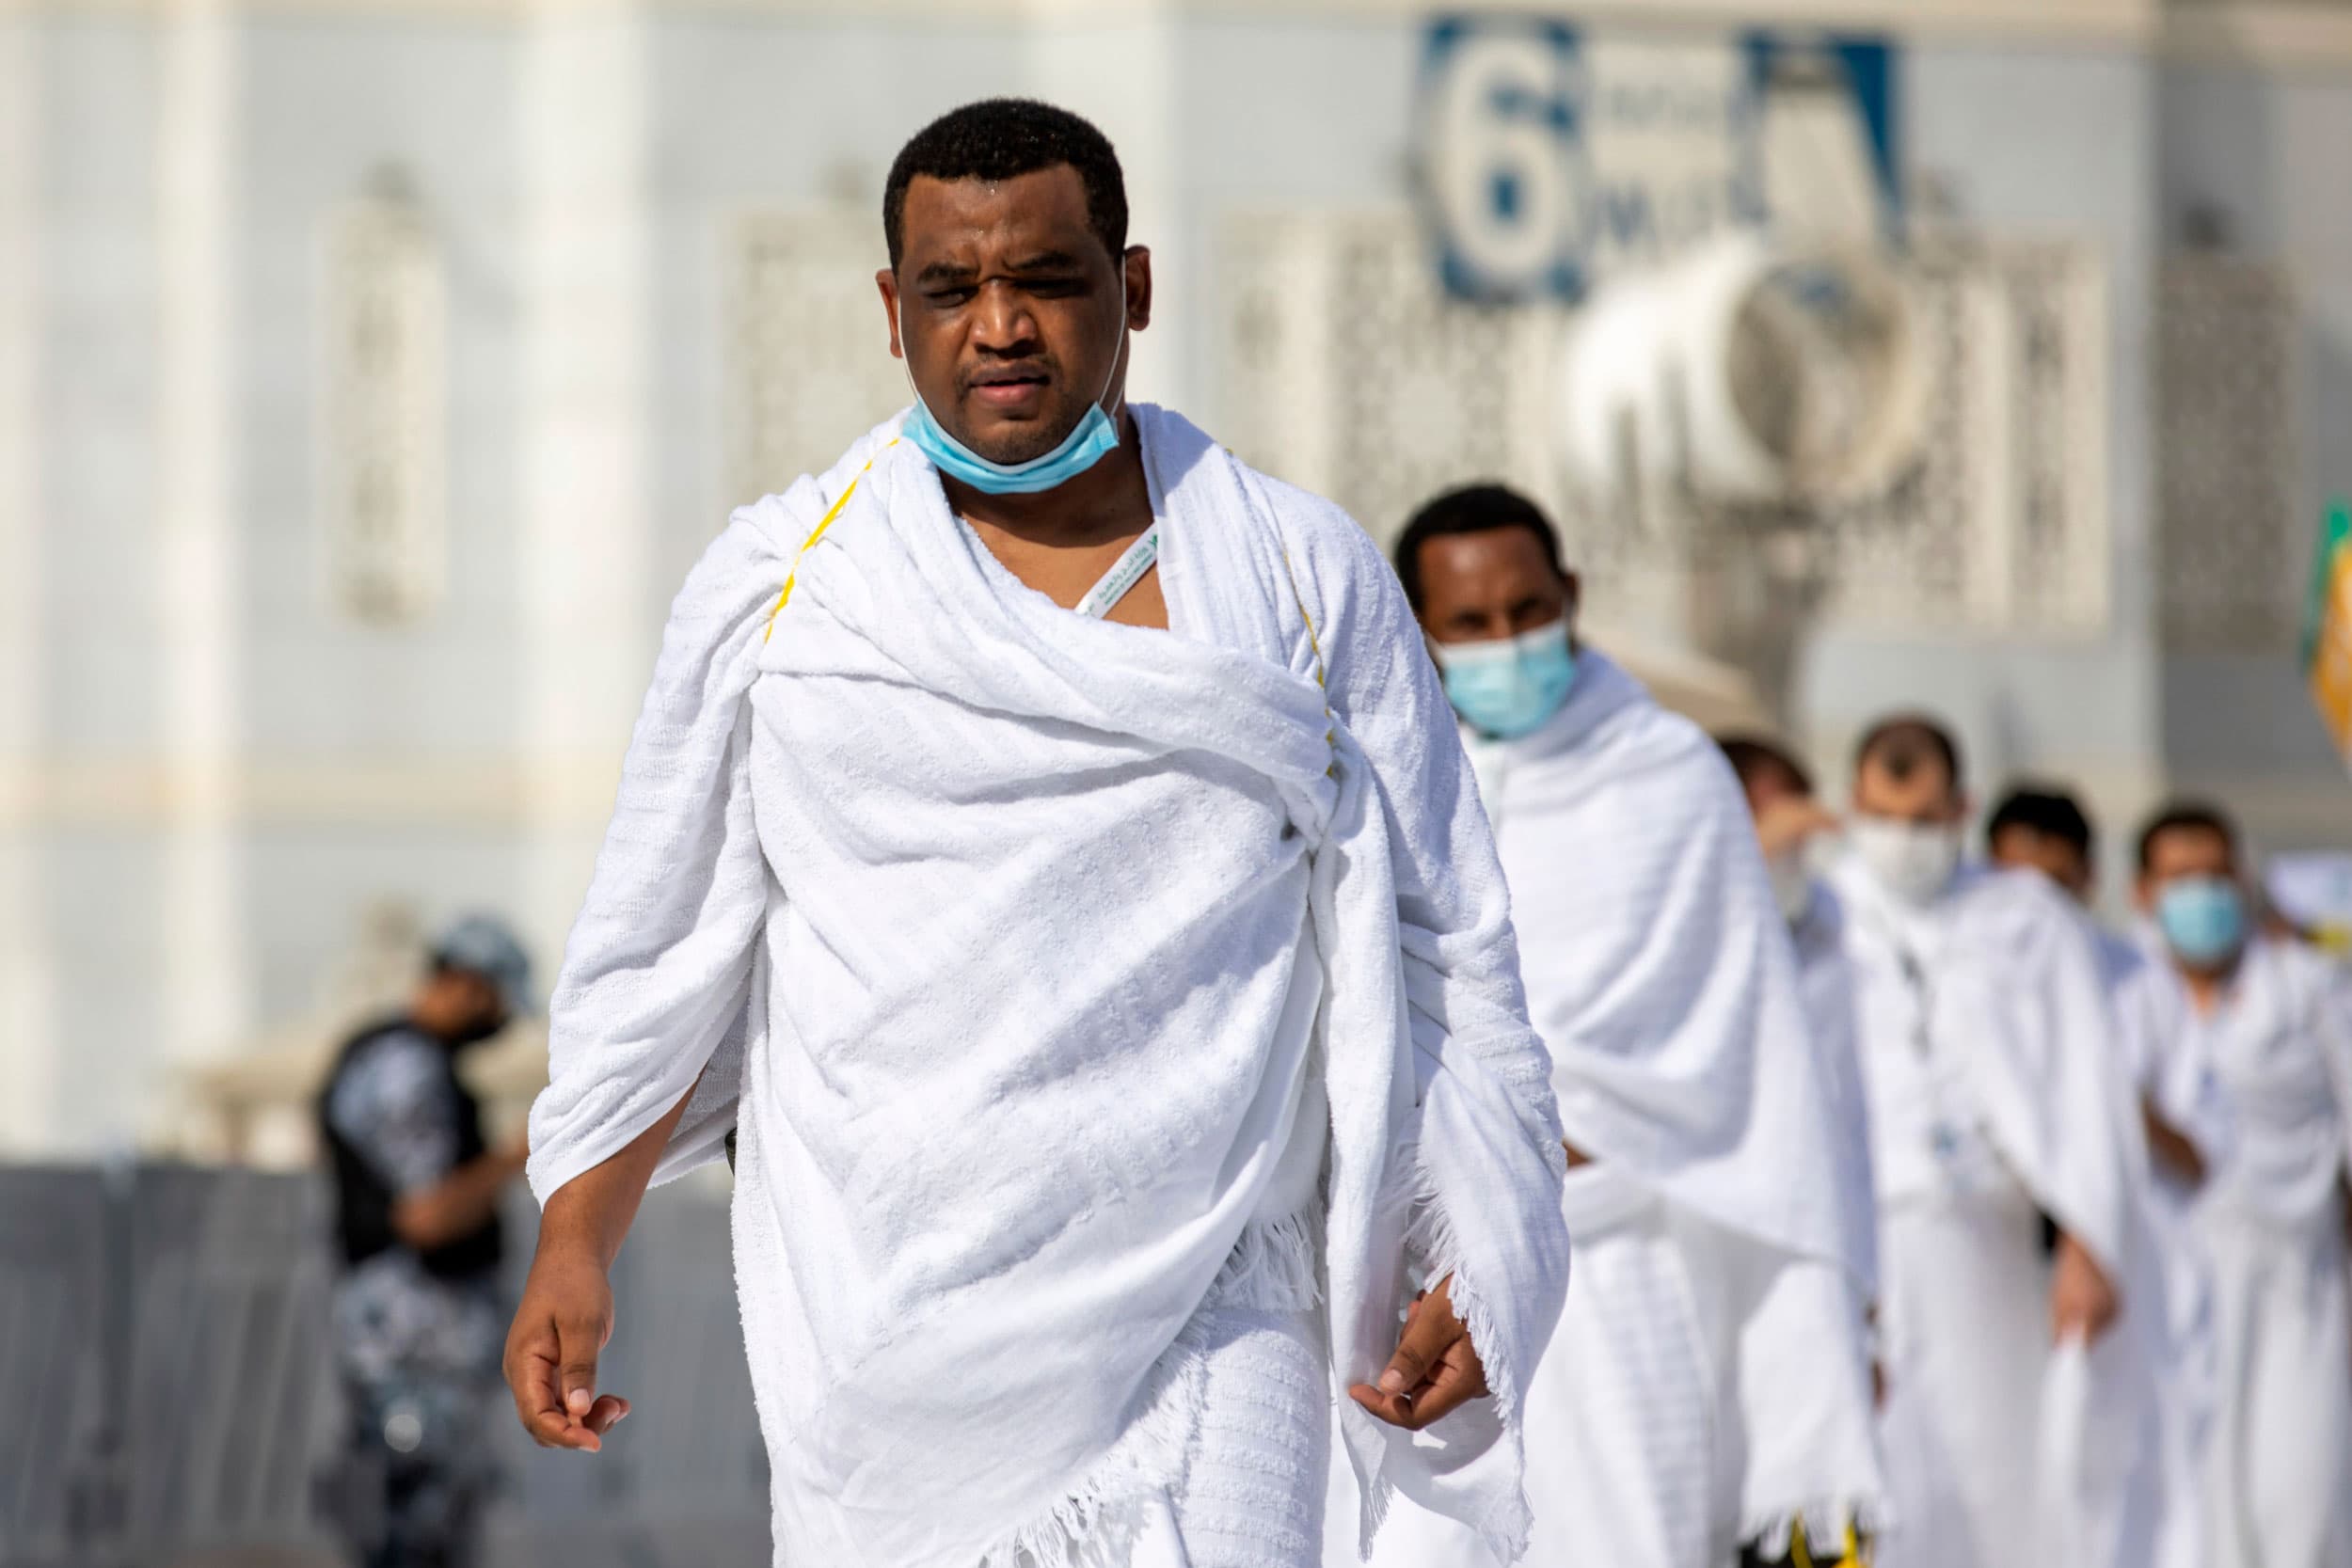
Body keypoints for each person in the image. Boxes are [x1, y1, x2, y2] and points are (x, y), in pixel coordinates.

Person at [511, 101, 1569, 1568]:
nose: (1000, 327)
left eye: (1049, 282)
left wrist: (1482, 1236)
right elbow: (670, 946)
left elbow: (1446, 934)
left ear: (1130, 288)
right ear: (894, 311)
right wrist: (577, 1235)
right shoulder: (786, 592)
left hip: (1221, 1298)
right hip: (886, 1334)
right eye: (952, 289)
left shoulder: (1296, 574)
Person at [1344, 484, 1882, 1568]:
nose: (1506, 642)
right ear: (1417, 627)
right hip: (1405, 1271)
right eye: (1470, 624)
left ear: (1571, 595)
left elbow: (1735, 1054)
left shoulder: (1671, 775)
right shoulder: (1381, 776)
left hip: (1614, 1255)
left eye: (1526, 612)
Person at [1826, 717, 2156, 1568]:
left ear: (1963, 809)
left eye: (1925, 819)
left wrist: (2090, 1238)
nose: (1903, 842)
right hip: (1859, 1246)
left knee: (1996, 1480)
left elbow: (2085, 1084)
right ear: (1853, 807)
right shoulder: (1821, 912)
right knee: (1877, 1483)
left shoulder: (2023, 916)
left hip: (1987, 1240)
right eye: (1884, 817)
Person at [1986, 783, 2219, 1568]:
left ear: (2087, 878)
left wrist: (2108, 1106)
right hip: (1998, 1273)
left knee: (2121, 1489)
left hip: (2127, 1279)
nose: (2035, 909)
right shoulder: (1970, 979)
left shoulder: (2136, 982)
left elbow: (2198, 1145)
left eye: (2052, 886)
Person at [2120, 800, 2352, 1568]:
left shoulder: (2310, 987)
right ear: (2143, 892)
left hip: (2299, 1277)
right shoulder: (2125, 988)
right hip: (2170, 1285)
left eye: (2216, 875)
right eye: (2180, 878)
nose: (2203, 894)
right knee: (2187, 1504)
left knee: (2301, 1492)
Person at [317, 913, 535, 1568]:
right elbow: (427, 1215)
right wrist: (522, 1152)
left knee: (433, 1526)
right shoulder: (404, 1066)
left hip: (423, 1343)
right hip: (410, 1340)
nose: (498, 1022)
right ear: (468, 985)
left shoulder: (404, 1057)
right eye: (496, 1002)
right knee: (410, 1530)